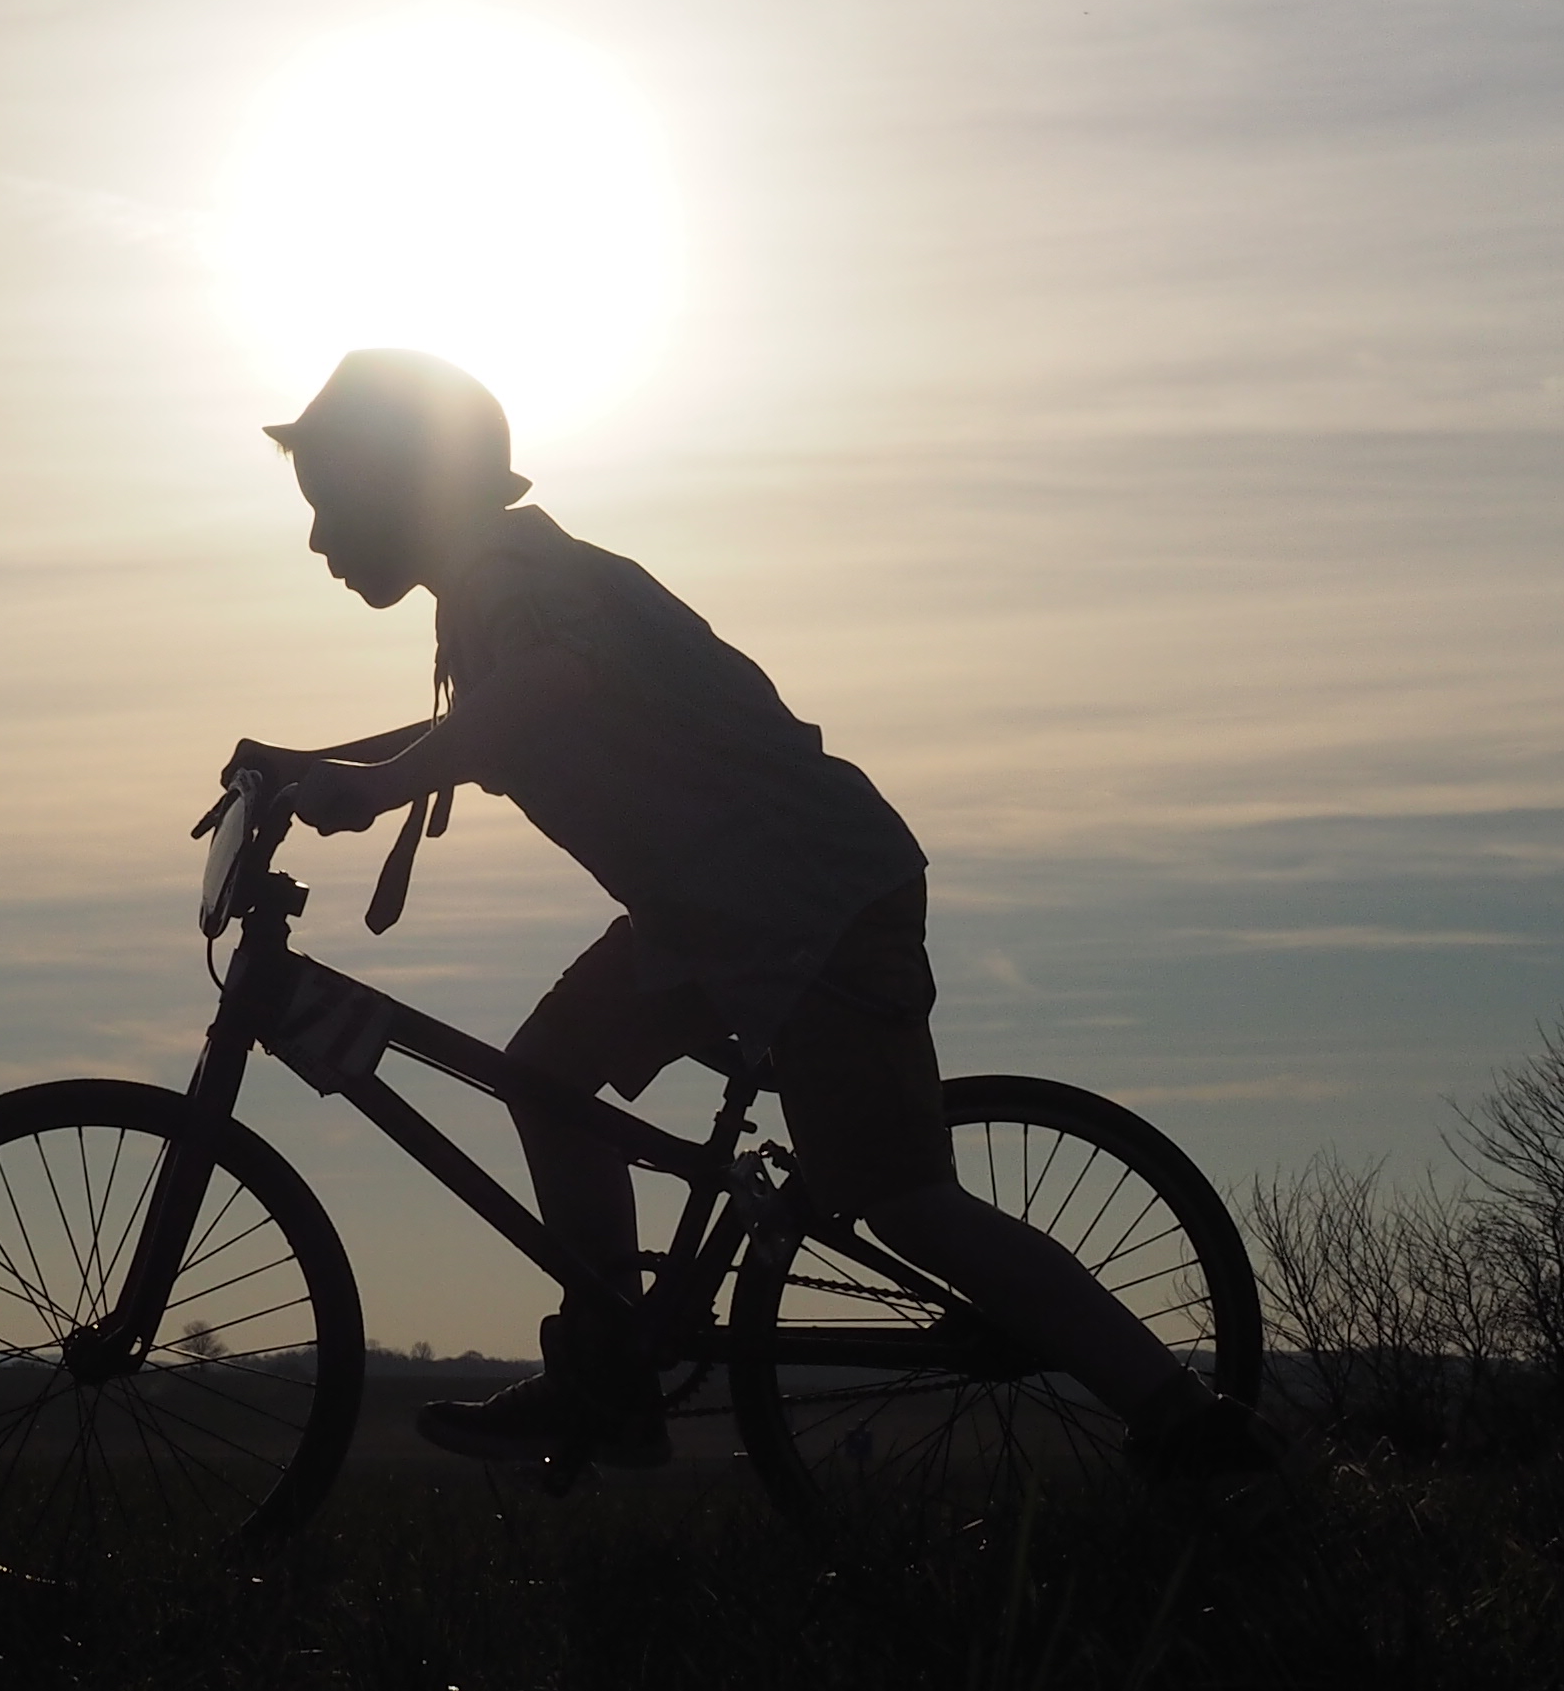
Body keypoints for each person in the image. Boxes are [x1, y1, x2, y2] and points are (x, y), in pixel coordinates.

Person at [258, 347, 1270, 1478]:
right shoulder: (491, 588)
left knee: (909, 1207)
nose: (318, 541)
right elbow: (499, 715)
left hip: (808, 896)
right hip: (718, 912)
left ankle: (1192, 1425)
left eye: (331, 505)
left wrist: (378, 784)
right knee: (546, 1075)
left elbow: (546, 685)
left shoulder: (504, 576)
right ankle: (609, 1375)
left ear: (401, 483)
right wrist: (319, 764)